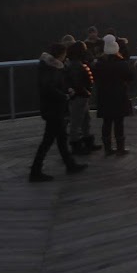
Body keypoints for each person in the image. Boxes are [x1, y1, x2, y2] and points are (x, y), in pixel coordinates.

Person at [29, 43, 86, 182]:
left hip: (52, 108)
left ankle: (69, 164)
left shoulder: (48, 67)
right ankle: (35, 171)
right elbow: (49, 88)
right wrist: (65, 95)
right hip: (54, 109)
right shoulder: (52, 69)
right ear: (61, 54)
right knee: (48, 141)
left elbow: (52, 86)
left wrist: (66, 91)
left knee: (60, 138)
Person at [93, 34, 134, 156]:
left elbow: (95, 78)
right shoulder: (122, 64)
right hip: (119, 95)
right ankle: (120, 148)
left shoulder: (99, 64)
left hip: (104, 96)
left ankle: (107, 148)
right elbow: (130, 76)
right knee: (118, 122)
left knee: (107, 122)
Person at [65, 41, 100, 154]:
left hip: (82, 97)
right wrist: (86, 92)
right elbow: (77, 83)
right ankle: (76, 145)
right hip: (79, 97)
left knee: (85, 120)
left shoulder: (77, 63)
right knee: (76, 122)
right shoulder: (76, 65)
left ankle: (86, 141)